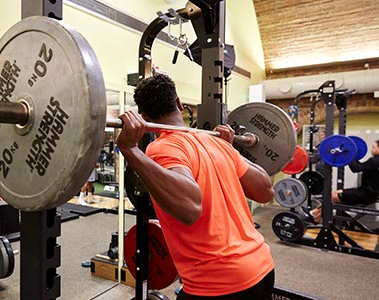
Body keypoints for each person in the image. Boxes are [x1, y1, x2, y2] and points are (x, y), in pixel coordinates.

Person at [117, 74, 275, 300]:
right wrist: (230, 150)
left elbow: (190, 207)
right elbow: (265, 191)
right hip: (262, 266)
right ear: (180, 104)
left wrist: (130, 150)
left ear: (144, 117)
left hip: (219, 283)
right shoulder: (215, 143)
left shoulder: (163, 147)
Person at [308, 139, 379, 223]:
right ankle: (317, 216)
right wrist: (352, 154)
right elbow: (360, 166)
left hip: (365, 194)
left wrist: (347, 153)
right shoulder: (375, 161)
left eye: (374, 147)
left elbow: (356, 168)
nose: (372, 149)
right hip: (368, 193)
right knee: (334, 194)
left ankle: (315, 215)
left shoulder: (375, 160)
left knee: (332, 196)